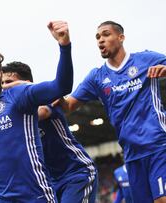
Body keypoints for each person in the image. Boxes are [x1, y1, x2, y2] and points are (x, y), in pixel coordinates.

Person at [0, 20, 73, 202]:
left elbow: (61, 86)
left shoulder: (18, 96)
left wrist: (64, 45)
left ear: (0, 73)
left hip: (37, 198)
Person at [58, 21, 166, 203]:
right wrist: (53, 92)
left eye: (106, 34)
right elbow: (67, 106)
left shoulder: (146, 60)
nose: (100, 40)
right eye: (98, 37)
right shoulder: (97, 77)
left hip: (158, 146)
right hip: (131, 155)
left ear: (121, 37)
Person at [1, 61, 98, 203]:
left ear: (25, 84)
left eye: (9, 82)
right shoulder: (11, 116)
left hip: (76, 173)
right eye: (2, 83)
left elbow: (42, 111)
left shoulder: (46, 99)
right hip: (49, 183)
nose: (5, 88)